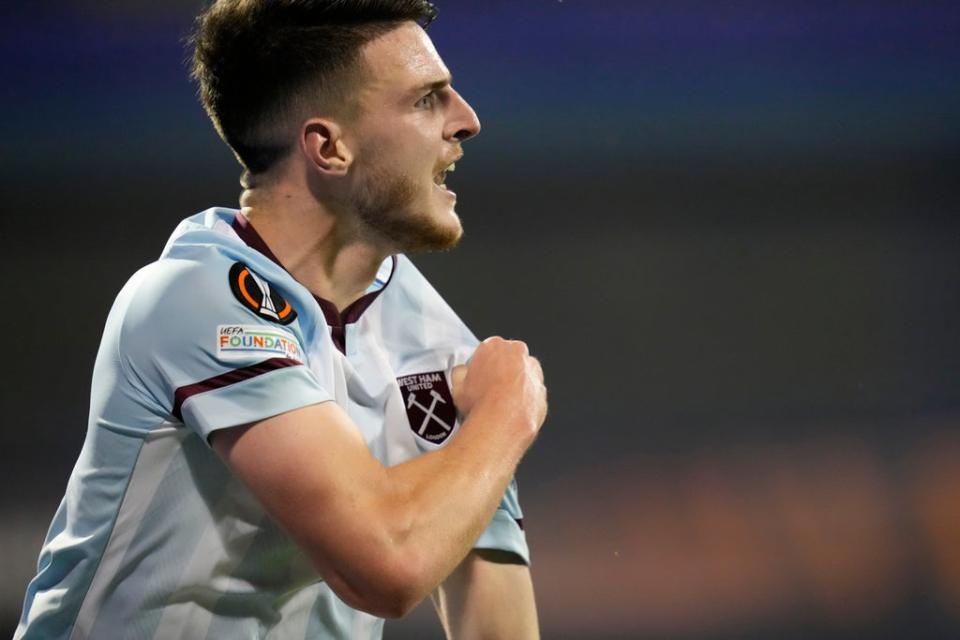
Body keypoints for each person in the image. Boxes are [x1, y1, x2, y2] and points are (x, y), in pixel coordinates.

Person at [14, 1, 547, 638]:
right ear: (329, 146)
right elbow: (385, 566)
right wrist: (504, 417)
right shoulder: (196, 298)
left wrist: (486, 428)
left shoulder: (442, 345)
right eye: (427, 100)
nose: (467, 121)